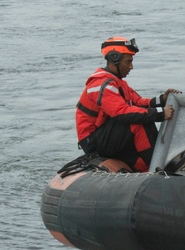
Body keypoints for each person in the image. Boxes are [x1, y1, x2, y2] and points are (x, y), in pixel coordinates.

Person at [75, 36, 176, 172]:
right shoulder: (101, 84)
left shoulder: (116, 82)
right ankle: (160, 166)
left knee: (141, 115)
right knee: (138, 121)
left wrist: (162, 100)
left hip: (107, 133)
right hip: (93, 141)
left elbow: (139, 102)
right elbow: (121, 113)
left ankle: (154, 166)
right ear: (114, 59)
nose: (131, 66)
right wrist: (160, 114)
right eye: (128, 62)